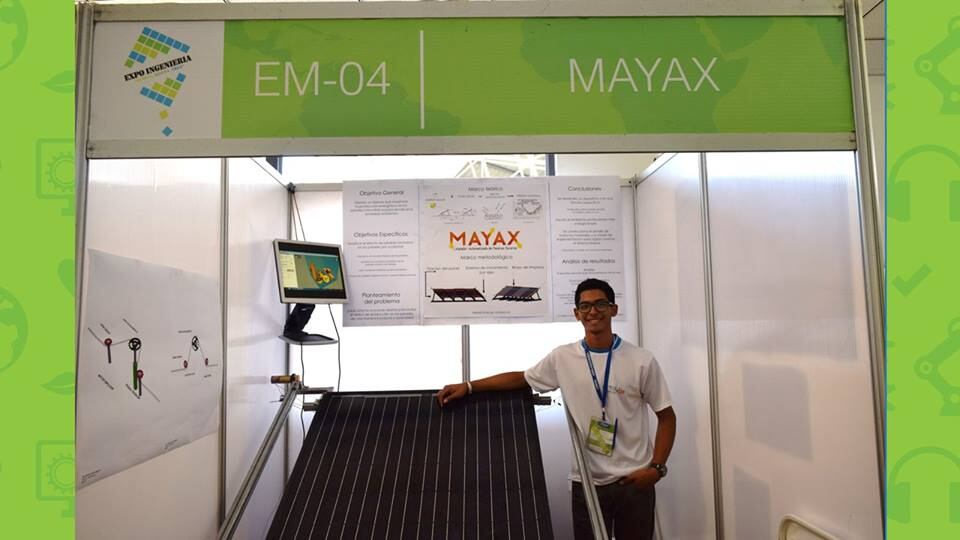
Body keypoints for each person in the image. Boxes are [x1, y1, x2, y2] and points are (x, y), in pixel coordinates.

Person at [437, 278, 676, 540]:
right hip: (586, 483)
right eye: (585, 306)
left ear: (613, 309)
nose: (593, 311)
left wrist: (656, 469)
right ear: (576, 314)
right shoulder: (563, 358)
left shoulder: (641, 360)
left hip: (634, 481)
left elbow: (666, 417)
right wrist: (469, 386)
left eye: (600, 304)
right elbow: (521, 378)